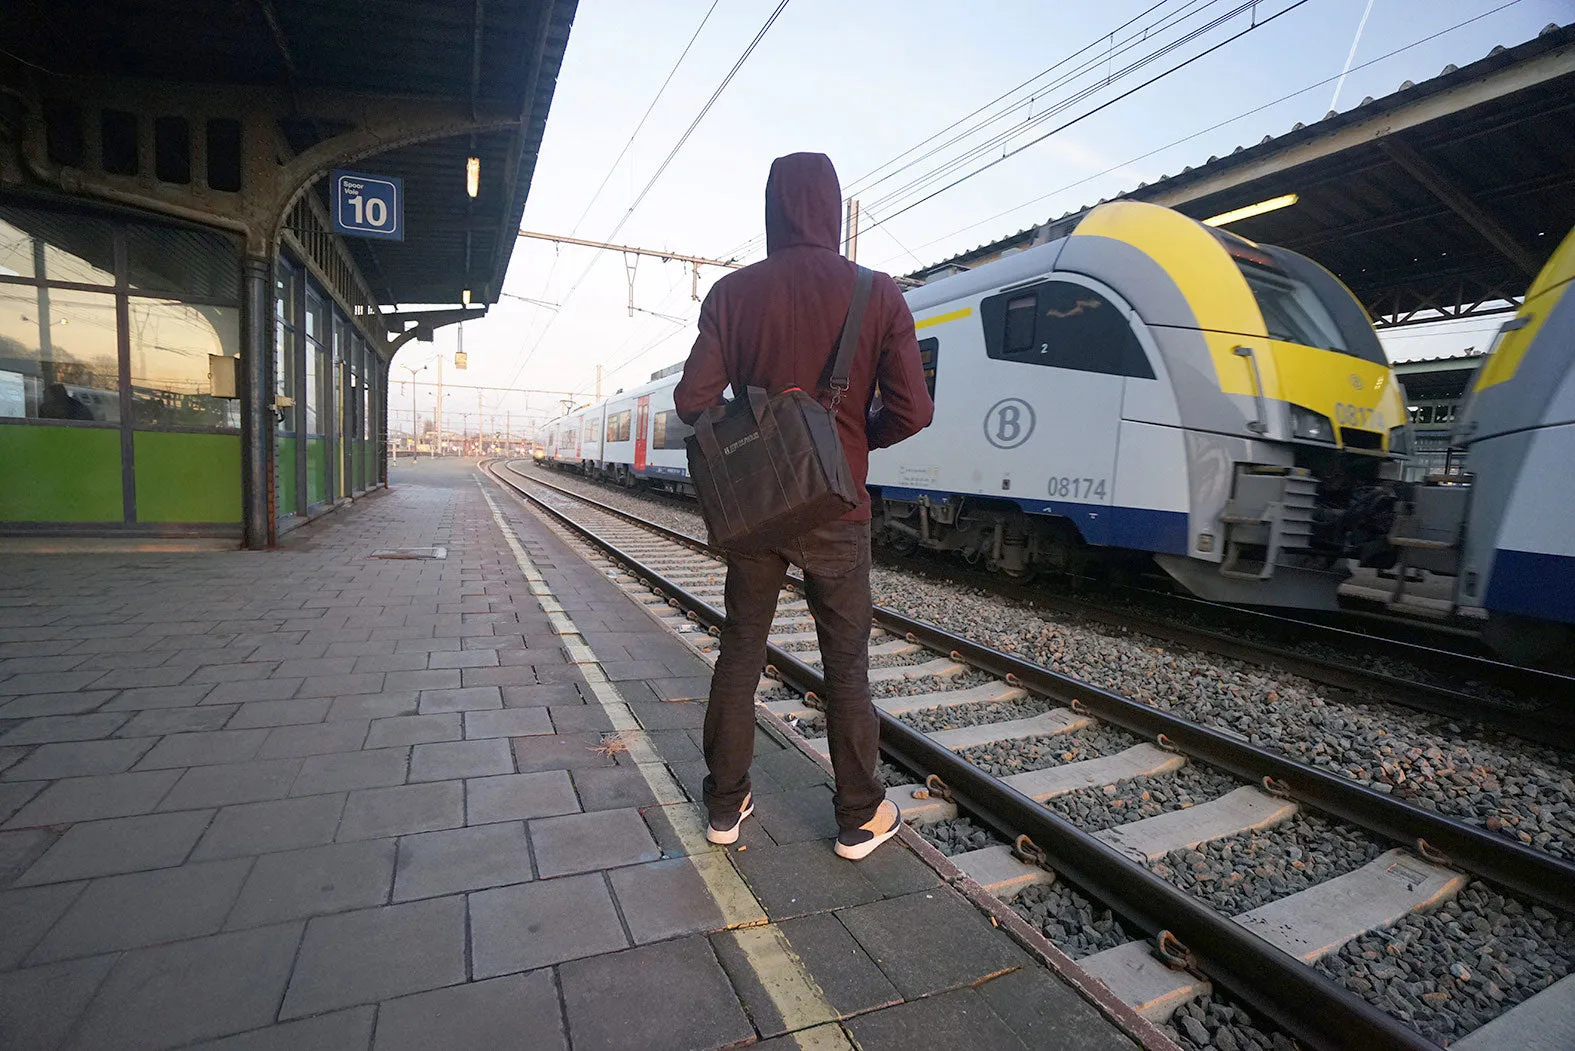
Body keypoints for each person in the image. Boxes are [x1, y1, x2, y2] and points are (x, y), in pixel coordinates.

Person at [675, 152, 934, 860]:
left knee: (740, 650)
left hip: (760, 513)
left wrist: (760, 427)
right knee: (844, 665)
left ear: (771, 208)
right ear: (831, 206)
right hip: (836, 508)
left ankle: (725, 807)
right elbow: (914, 410)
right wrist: (850, 445)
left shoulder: (731, 294)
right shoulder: (876, 292)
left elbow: (692, 401)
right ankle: (858, 816)